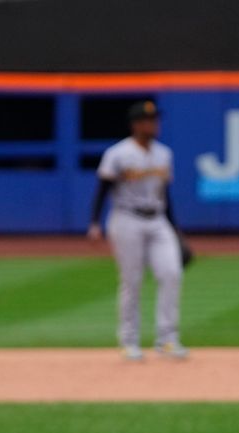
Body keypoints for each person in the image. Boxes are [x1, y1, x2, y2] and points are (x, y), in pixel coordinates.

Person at [87, 100, 188, 361]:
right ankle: (129, 340)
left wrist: (176, 231)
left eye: (155, 119)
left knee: (171, 273)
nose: (153, 124)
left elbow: (166, 195)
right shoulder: (118, 153)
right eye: (148, 120)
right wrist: (95, 223)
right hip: (126, 219)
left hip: (158, 219)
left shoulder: (164, 154)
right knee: (132, 281)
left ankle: (167, 338)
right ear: (136, 124)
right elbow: (103, 188)